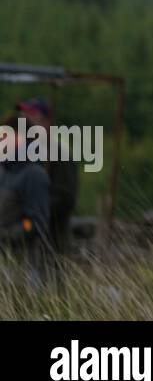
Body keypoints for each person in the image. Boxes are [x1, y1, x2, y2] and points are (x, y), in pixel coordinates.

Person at [16, 99, 77, 254]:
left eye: (31, 116)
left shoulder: (60, 154)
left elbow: (65, 198)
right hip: (22, 244)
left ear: (46, 122)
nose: (24, 120)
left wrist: (29, 209)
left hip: (51, 244)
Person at [0, 119, 52, 286]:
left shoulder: (34, 175)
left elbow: (35, 224)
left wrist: (6, 235)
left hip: (22, 270)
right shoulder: (5, 172)